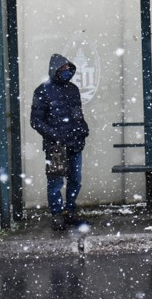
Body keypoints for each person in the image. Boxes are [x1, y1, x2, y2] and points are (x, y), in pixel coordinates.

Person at [30, 54, 90, 231]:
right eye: (62, 69)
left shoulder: (73, 89)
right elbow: (36, 121)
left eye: (68, 69)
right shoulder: (42, 91)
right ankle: (57, 214)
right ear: (54, 70)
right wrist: (56, 135)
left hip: (74, 143)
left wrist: (82, 131)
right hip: (55, 146)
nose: (66, 72)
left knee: (75, 179)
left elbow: (77, 114)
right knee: (55, 181)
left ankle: (69, 211)